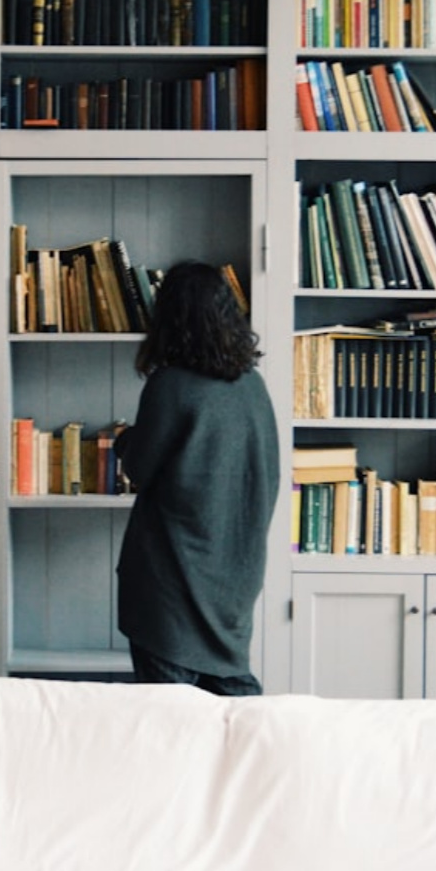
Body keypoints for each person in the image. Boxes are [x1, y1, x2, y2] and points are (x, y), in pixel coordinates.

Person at [114, 261, 278, 696]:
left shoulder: (170, 385)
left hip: (171, 575)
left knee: (172, 718)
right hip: (235, 572)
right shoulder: (252, 386)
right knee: (234, 708)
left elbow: (138, 468)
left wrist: (123, 440)